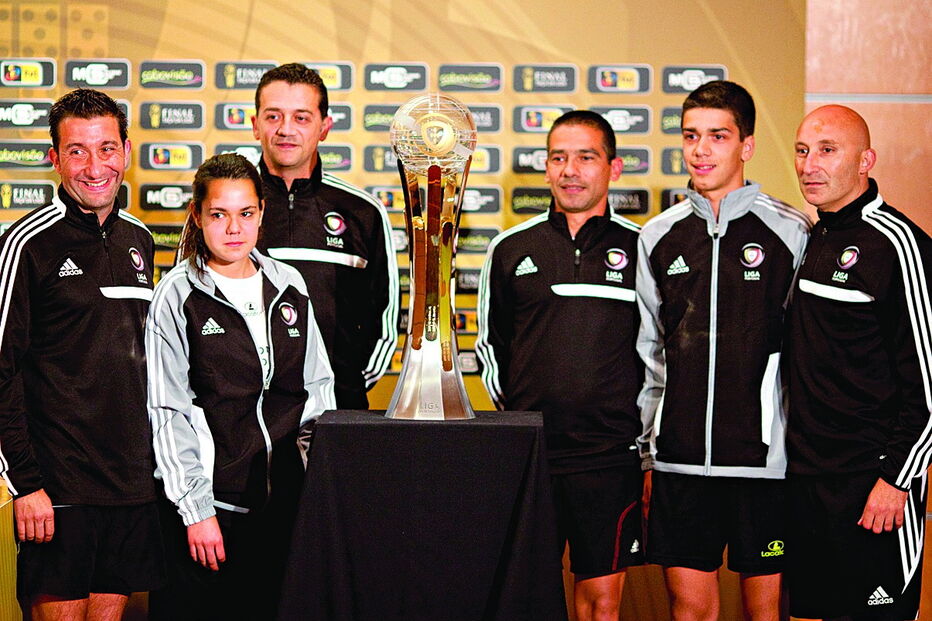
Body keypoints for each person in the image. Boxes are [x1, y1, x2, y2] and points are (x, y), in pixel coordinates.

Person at [635, 81, 810, 621]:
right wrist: (647, 447)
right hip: (680, 462)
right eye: (691, 136)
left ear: (746, 146)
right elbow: (650, 354)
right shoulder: (658, 235)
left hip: (765, 464)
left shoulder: (792, 231)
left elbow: (807, 359)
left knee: (767, 613)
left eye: (717, 136)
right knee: (690, 612)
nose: (701, 150)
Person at [146, 153, 335, 620]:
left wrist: (317, 494)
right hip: (213, 512)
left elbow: (317, 393)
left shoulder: (288, 284)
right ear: (198, 216)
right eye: (219, 214)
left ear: (261, 214)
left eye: (246, 213)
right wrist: (196, 512)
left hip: (285, 511)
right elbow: (167, 412)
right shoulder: (177, 294)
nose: (234, 228)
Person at [0, 88, 164, 619]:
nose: (95, 167)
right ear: (54, 158)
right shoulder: (26, 244)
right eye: (77, 150)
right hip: (58, 488)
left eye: (107, 148)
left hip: (130, 486)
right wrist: (24, 483)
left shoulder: (141, 238)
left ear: (127, 151)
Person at [476, 110, 644, 621]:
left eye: (586, 157)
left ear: (613, 169)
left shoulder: (643, 249)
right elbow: (490, 347)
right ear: (546, 168)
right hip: (532, 456)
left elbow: (657, 354)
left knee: (600, 605)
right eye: (558, 158)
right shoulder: (510, 249)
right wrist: (523, 420)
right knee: (526, 597)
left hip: (610, 458)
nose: (570, 170)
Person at [785, 105, 931, 620]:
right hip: (805, 482)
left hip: (874, 489)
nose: (809, 165)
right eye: (803, 150)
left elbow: (930, 390)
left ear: (866, 160)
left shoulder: (900, 246)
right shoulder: (811, 236)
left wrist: (897, 480)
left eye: (827, 151)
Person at [251, 62, 398, 409]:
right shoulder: (222, 205)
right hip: (242, 415)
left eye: (301, 117)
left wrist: (341, 383)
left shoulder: (362, 212)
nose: (286, 129)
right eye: (273, 117)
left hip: (338, 407)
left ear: (324, 128)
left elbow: (385, 314)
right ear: (255, 125)